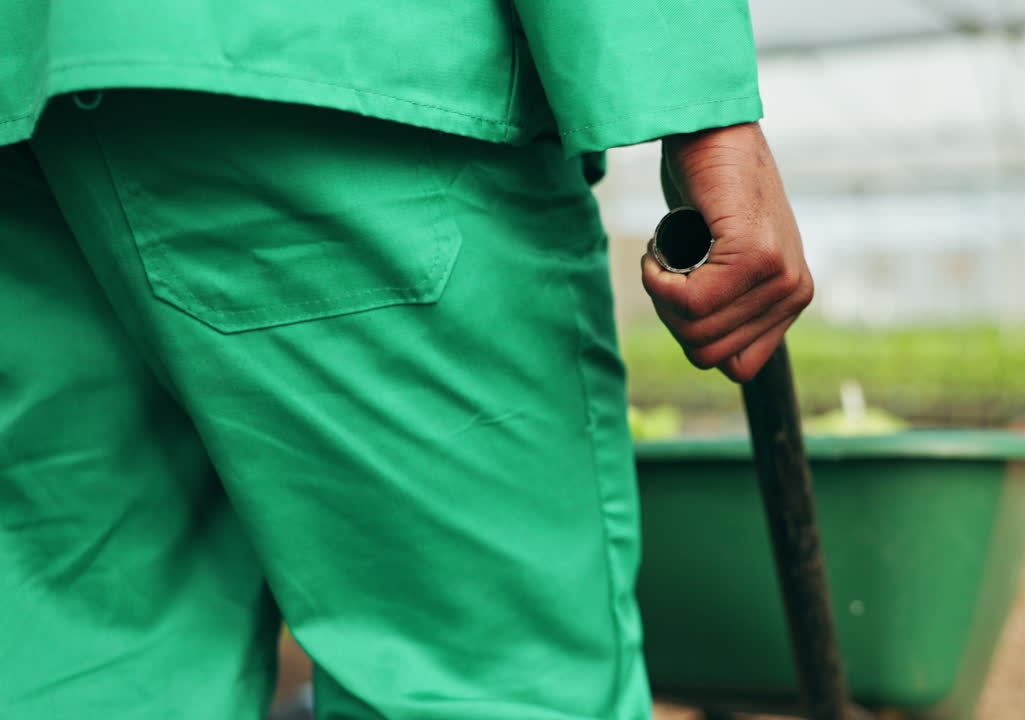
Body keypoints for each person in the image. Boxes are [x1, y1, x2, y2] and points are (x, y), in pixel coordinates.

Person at [0, 2, 812, 718]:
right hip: (338, 62)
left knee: (91, 662)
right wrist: (704, 112)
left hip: (25, 98)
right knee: (483, 675)